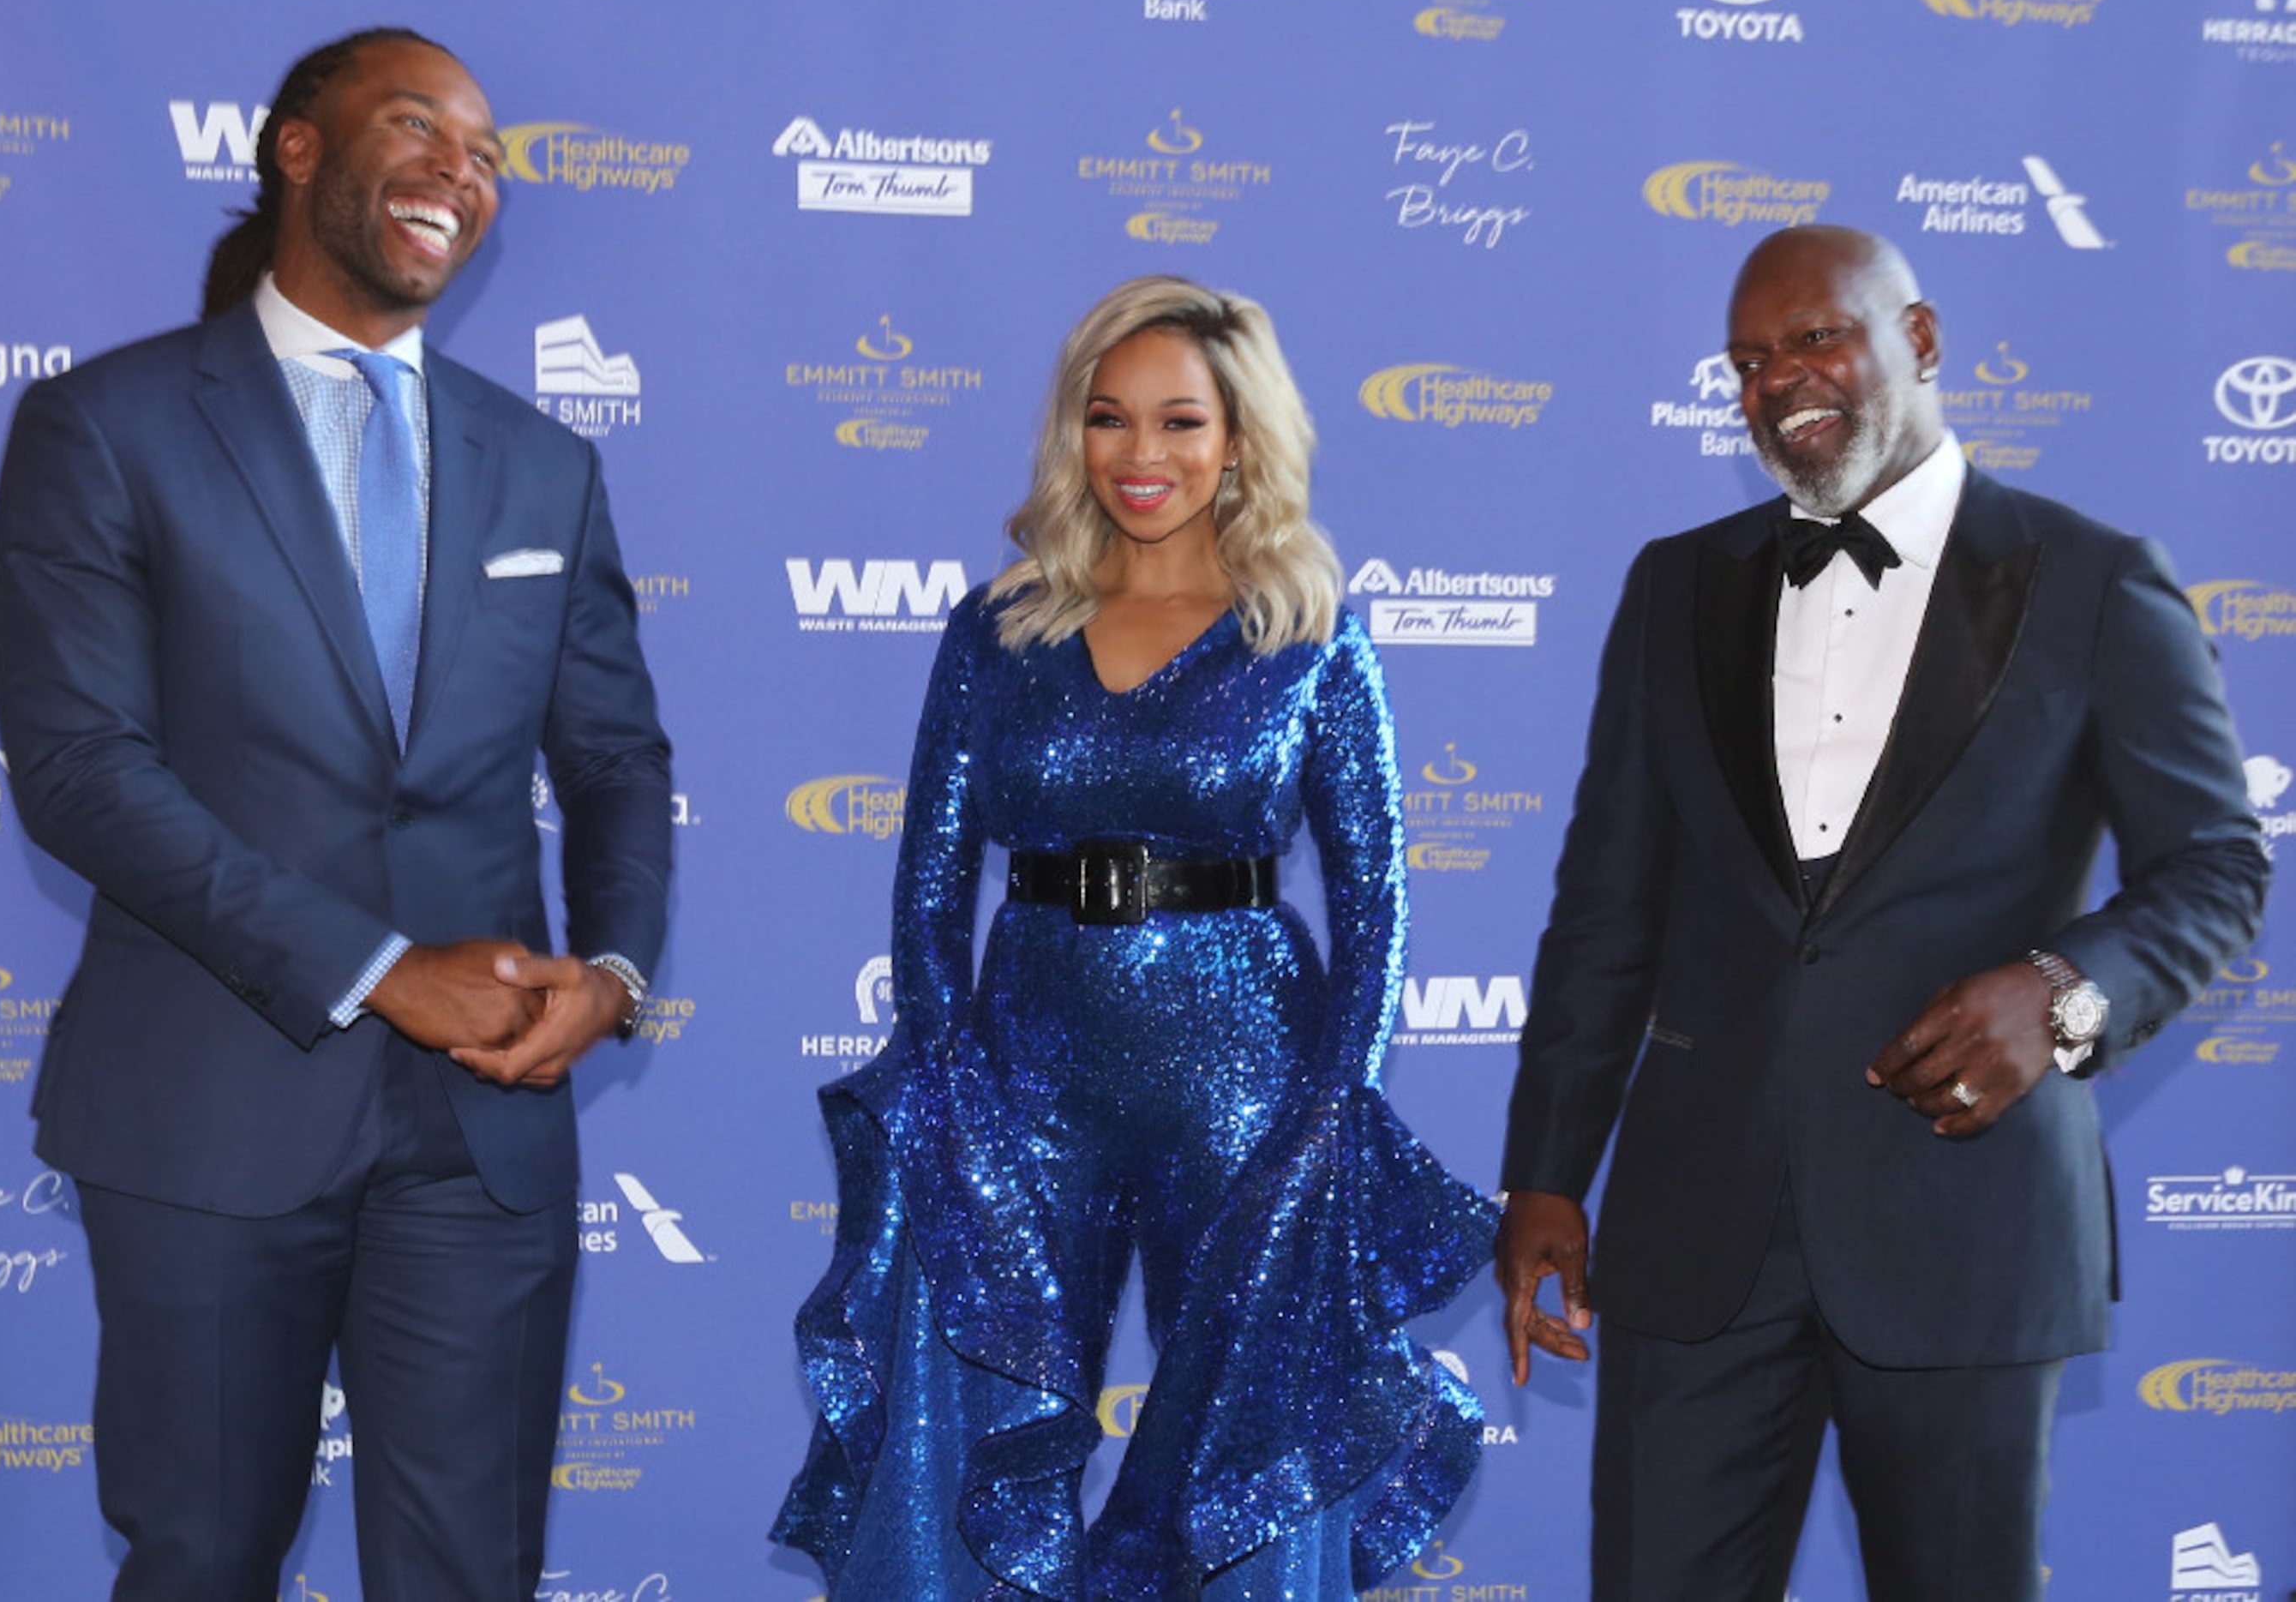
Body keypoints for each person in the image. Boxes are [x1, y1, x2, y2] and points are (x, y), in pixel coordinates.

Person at [0, 28, 673, 1600]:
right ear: (299, 146)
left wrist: (616, 971)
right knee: (205, 1558)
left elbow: (622, 758)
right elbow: (83, 769)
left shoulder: (542, 464)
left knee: (466, 1574)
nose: (462, 172)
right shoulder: (108, 425)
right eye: (419, 126)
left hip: (485, 1129)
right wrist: (378, 966)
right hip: (206, 1110)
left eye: (490, 154)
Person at [1496, 225, 2269, 1600]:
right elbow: (1607, 904)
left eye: (1814, 337)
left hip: (1960, 1221)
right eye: (1747, 360)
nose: (1779, 378)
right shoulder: (1676, 583)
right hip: (1695, 1235)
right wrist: (1547, 1169)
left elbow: (2217, 863)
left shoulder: (2093, 579)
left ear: (1917, 341)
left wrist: (2063, 991)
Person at [772, 276, 1497, 1599]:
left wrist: (1335, 1107)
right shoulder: (998, 628)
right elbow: (931, 882)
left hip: (1249, 1074)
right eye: (1110, 420)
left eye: (1180, 422)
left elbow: (1378, 896)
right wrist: (946, 1077)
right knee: (971, 1426)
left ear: (1240, 439)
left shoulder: (1312, 633)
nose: (1142, 456)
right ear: (1074, 434)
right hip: (1025, 1063)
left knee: (1253, 1434)